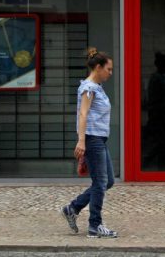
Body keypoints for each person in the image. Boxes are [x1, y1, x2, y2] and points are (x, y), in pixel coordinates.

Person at [60, 47, 118, 238]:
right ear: (98, 67)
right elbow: (82, 114)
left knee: (108, 181)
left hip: (99, 139)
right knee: (100, 182)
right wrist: (82, 141)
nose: (110, 73)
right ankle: (95, 225)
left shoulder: (97, 88)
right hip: (92, 139)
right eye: (108, 69)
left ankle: (73, 208)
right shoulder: (89, 88)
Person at [142, 52, 165, 170]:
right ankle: (148, 162)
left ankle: (158, 165)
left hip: (159, 113)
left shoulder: (159, 78)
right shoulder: (158, 79)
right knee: (162, 141)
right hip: (158, 114)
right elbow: (156, 98)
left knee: (162, 141)